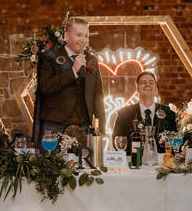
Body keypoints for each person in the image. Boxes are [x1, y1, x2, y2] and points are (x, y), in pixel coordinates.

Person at [34, 17, 105, 145]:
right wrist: (73, 71)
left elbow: (98, 95)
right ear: (67, 36)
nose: (83, 40)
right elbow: (45, 88)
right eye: (79, 35)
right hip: (55, 125)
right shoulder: (49, 56)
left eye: (86, 36)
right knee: (53, 163)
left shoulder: (92, 60)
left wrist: (102, 130)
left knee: (84, 163)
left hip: (84, 126)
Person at [112, 71, 177, 154]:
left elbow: (175, 141)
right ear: (137, 89)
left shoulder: (168, 112)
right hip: (133, 162)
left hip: (162, 163)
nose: (147, 84)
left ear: (156, 89)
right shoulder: (124, 113)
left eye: (151, 82)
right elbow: (117, 141)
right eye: (143, 82)